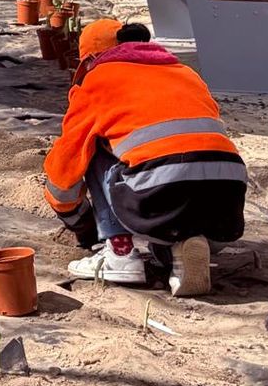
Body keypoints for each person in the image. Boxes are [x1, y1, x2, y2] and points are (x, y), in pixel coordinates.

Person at [43, 18, 246, 296]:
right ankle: (180, 249)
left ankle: (120, 253)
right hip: (225, 208)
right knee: (174, 157)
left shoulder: (98, 81)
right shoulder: (186, 73)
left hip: (157, 197)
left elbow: (64, 171)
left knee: (92, 147)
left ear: (90, 59)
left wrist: (81, 223)